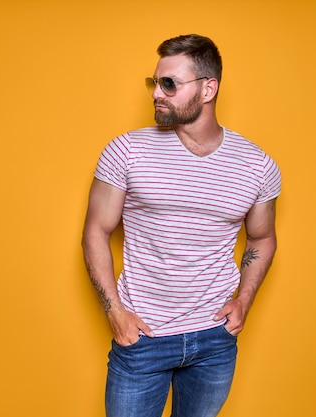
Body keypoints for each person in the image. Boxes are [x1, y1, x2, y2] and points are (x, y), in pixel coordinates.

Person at [82, 34, 281, 417]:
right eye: (153, 83)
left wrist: (244, 300)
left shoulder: (257, 165)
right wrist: (115, 313)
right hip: (143, 338)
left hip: (214, 341)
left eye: (169, 84)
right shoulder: (126, 151)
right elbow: (95, 231)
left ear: (209, 89)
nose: (157, 93)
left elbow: (263, 236)